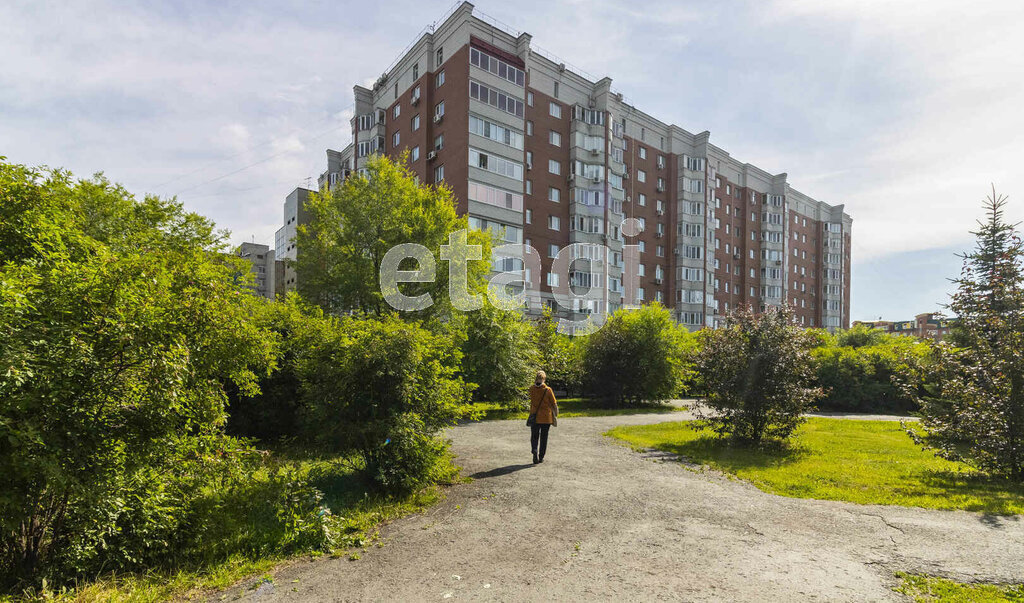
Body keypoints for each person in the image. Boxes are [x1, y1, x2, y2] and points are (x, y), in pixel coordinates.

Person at [528, 370, 558, 464]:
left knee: (534, 435)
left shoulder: (532, 388)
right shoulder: (548, 390)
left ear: (536, 378)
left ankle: (534, 450)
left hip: (535, 416)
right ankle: (541, 457)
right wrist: (556, 413)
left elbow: (532, 399)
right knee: (544, 437)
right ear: (544, 379)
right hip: (546, 417)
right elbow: (554, 403)